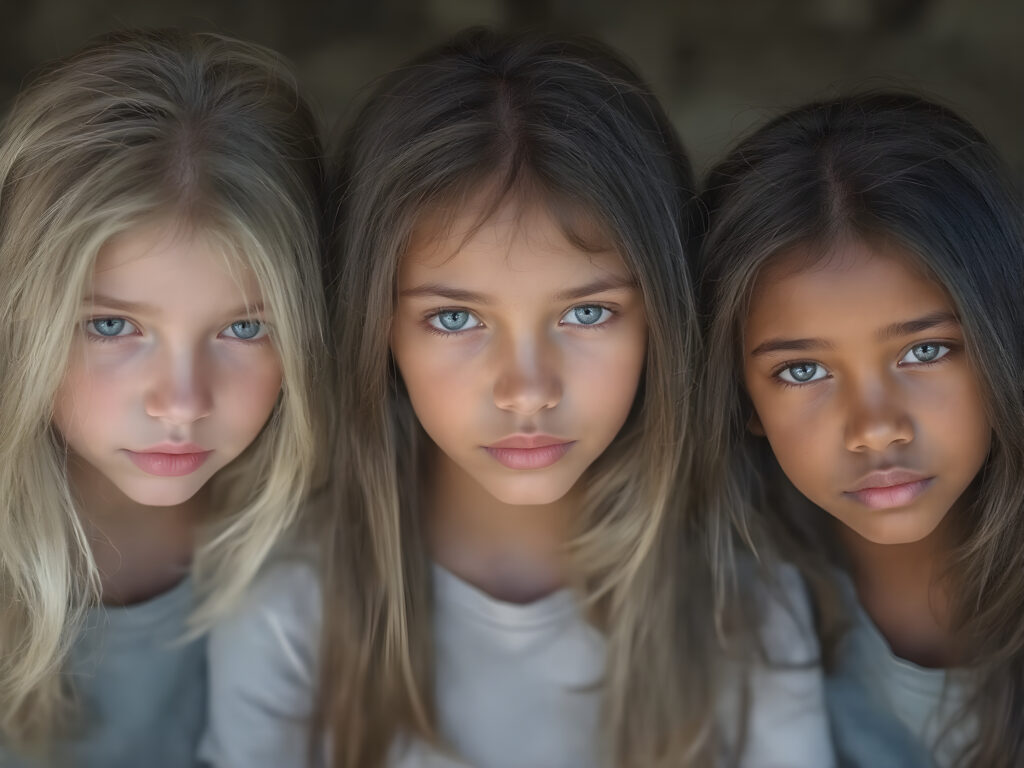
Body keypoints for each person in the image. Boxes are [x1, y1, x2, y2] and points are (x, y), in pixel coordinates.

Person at [202, 27, 832, 768]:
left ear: (662, 315)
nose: (527, 389)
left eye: (587, 313)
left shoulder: (742, 597)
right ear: (376, 325)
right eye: (455, 319)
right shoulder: (289, 603)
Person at [0, 29, 327, 767]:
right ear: (20, 317)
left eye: (244, 328)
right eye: (112, 326)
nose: (182, 403)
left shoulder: (329, 542)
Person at [697, 92, 1024, 767]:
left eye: (925, 351)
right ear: (743, 396)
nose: (875, 430)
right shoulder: (713, 608)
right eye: (803, 370)